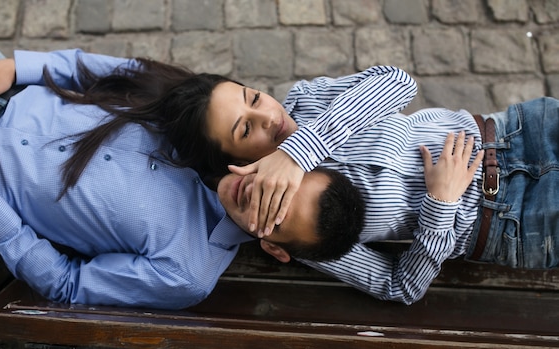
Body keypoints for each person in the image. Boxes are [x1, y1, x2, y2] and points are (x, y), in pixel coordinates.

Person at [0, 4, 363, 309]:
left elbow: (66, 283)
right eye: (281, 182)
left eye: (276, 210)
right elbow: (120, 75)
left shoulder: (186, 272)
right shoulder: (213, 131)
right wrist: (16, 68)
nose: (259, 189)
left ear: (274, 248)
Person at [138, 64, 559, 305]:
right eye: (247, 130)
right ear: (234, 161)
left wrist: (297, 152)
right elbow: (399, 286)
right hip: (513, 223)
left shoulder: (306, 100)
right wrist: (439, 206)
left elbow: (398, 82)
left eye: (252, 97)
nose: (269, 115)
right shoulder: (291, 223)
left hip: (518, 132)